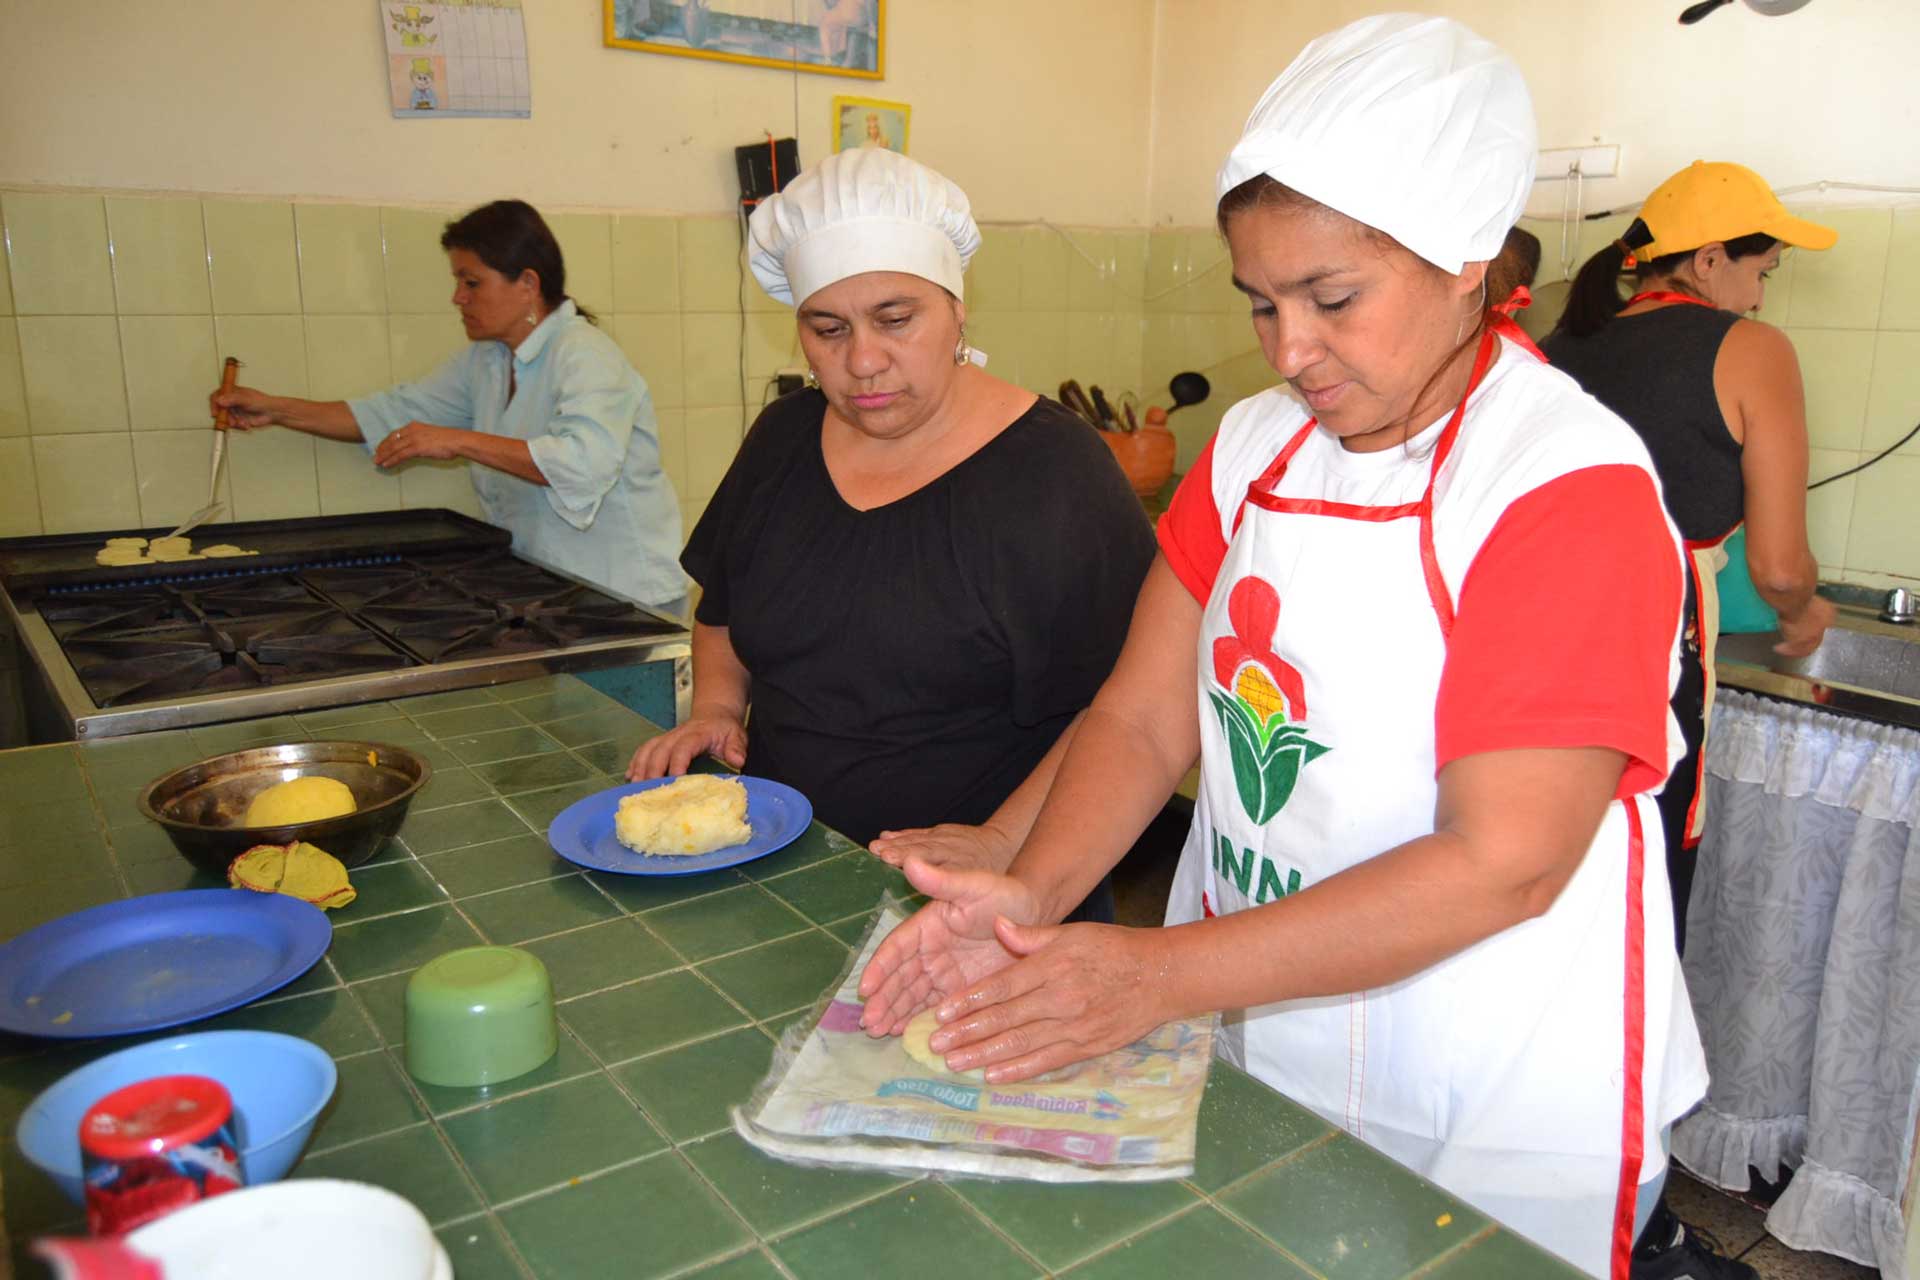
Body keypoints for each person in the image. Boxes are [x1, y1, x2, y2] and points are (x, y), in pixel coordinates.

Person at [857, 17, 1738, 1279]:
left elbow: (1504, 861)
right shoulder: (1252, 449)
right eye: (1261, 302)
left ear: (1468, 263)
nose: (1288, 349)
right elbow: (1141, 717)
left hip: (1492, 1077)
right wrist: (1033, 896)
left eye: (1333, 298)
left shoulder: (1562, 485)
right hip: (1265, 1021)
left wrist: (1151, 975)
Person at [626, 148, 1154, 923]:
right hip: (784, 867)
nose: (863, 361)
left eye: (896, 319)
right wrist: (714, 707)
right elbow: (723, 611)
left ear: (958, 309)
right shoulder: (784, 438)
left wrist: (1001, 841)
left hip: (987, 896)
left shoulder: (1054, 472)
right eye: (827, 328)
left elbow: (1129, 706)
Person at [1542, 161, 1836, 953]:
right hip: (1648, 671)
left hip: (1534, 657)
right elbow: (1779, 566)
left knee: (1540, 893)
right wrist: (1804, 611)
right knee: (1635, 907)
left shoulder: (1552, 349)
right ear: (1708, 259)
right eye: (1759, 271)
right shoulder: (1751, 349)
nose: (1761, 295)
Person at [212, 199, 686, 611]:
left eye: (471, 282)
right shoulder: (488, 359)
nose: (457, 297)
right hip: (552, 590)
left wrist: (458, 440)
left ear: (527, 283)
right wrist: (275, 409)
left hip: (624, 598)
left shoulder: (585, 354)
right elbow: (391, 414)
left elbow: (583, 464)